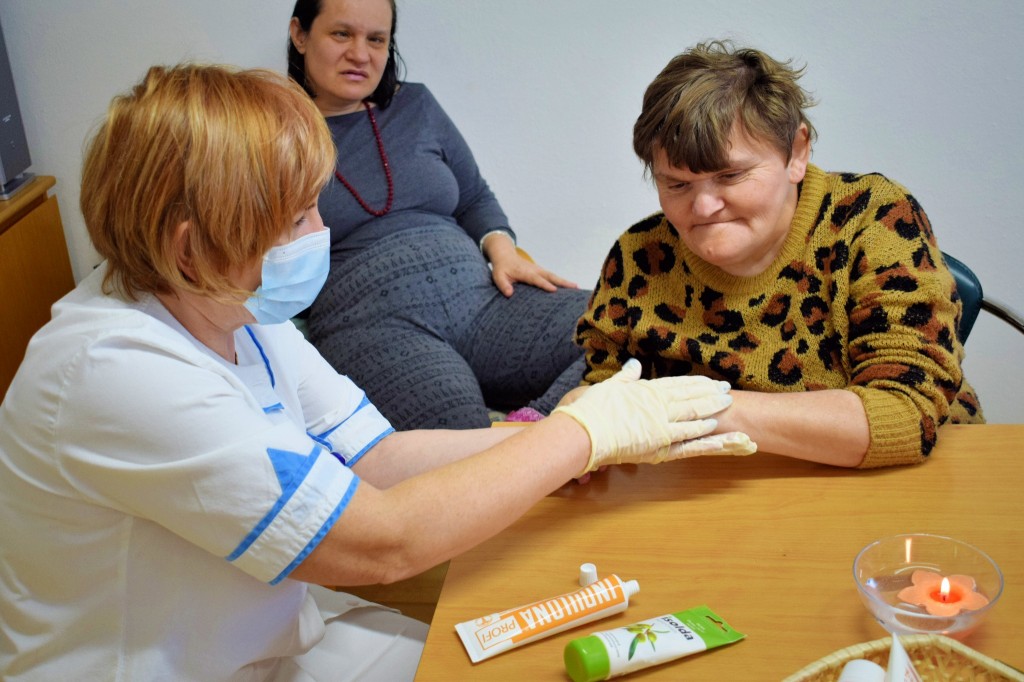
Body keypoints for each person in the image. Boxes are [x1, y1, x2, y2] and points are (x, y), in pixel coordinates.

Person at [0, 64, 755, 681]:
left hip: (272, 638)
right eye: (296, 218)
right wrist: (578, 437)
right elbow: (384, 543)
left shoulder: (232, 308)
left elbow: (381, 458)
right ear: (189, 247)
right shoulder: (118, 373)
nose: (322, 233)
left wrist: (587, 436)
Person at [576, 40, 984, 470]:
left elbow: (906, 416)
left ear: (797, 152)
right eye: (676, 184)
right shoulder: (638, 256)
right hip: (714, 491)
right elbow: (603, 394)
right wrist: (581, 414)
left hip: (907, 481)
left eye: (730, 175)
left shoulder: (873, 218)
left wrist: (697, 409)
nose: (703, 207)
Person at [287, 0, 592, 430]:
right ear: (300, 34)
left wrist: (503, 251)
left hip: (484, 302)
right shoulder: (272, 134)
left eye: (376, 39)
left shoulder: (416, 105)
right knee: (456, 432)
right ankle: (521, 447)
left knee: (625, 325)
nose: (360, 54)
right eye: (341, 34)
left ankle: (531, 425)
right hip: (373, 322)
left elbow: (474, 197)